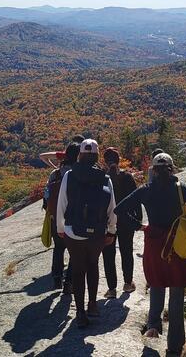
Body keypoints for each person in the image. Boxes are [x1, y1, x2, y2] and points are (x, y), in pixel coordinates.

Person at [114, 153, 186, 357]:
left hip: (155, 243)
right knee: (176, 293)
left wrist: (139, 226)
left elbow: (119, 210)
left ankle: (154, 326)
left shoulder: (146, 190)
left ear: (153, 170)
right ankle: (174, 346)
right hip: (178, 244)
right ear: (172, 168)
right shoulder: (181, 189)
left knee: (156, 283)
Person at [56, 139, 117, 328]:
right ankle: (93, 305)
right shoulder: (104, 177)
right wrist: (112, 231)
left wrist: (60, 227)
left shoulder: (70, 175)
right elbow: (111, 207)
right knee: (92, 265)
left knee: (78, 269)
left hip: (73, 231)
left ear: (80, 154)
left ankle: (80, 312)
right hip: (97, 232)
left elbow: (62, 203)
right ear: (97, 155)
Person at [101, 147, 141, 298]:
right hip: (126, 221)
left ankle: (111, 289)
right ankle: (128, 283)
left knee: (108, 254)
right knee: (126, 251)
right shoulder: (127, 177)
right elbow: (136, 199)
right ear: (119, 160)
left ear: (105, 161)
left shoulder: (103, 178)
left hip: (107, 222)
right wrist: (138, 219)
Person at [42, 142, 80, 293]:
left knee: (59, 248)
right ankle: (69, 283)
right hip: (73, 218)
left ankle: (57, 278)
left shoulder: (55, 173)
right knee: (75, 251)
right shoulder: (78, 173)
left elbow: (46, 195)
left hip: (56, 217)